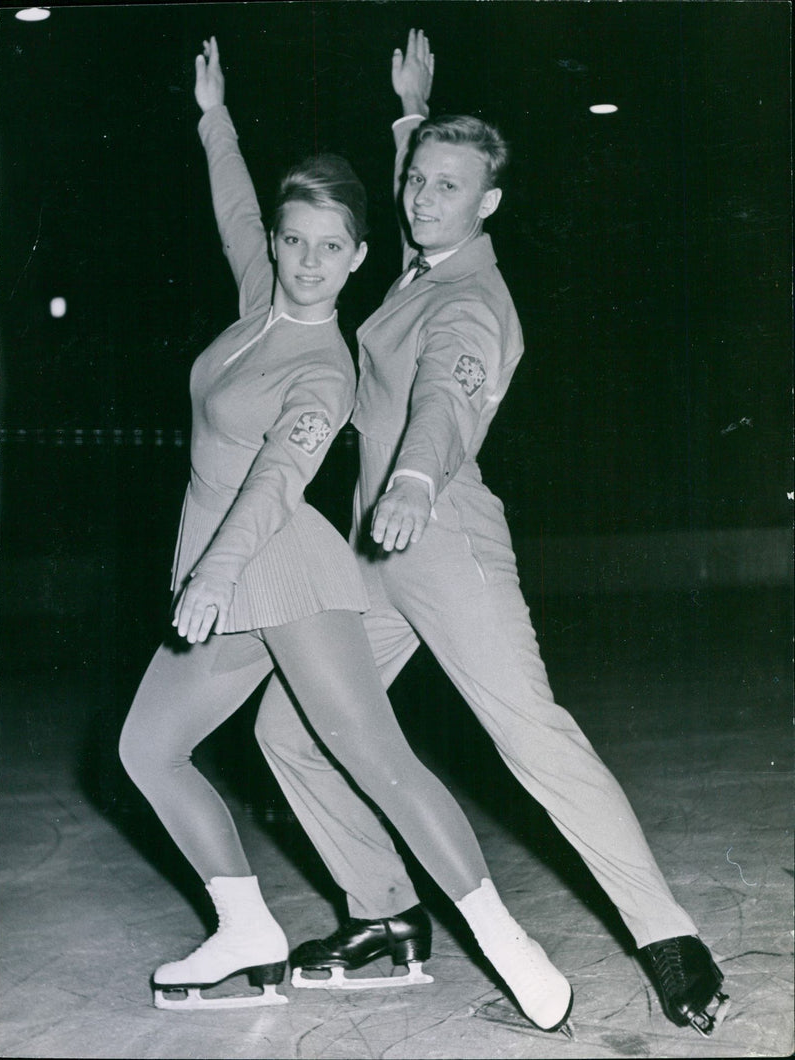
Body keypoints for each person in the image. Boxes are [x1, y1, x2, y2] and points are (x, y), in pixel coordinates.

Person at [255, 29, 729, 1036]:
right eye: (416, 181)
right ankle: (383, 915)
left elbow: (449, 391)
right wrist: (409, 117)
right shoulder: (427, 255)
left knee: (527, 733)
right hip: (369, 551)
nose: (421, 197)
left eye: (445, 186)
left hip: (440, 535)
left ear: (489, 206)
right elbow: (421, 188)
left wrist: (419, 476)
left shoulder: (472, 297)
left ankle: (669, 936)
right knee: (287, 728)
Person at [119, 36, 576, 1031]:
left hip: (282, 572)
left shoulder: (321, 368)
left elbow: (280, 477)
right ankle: (244, 930)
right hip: (226, 579)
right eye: (295, 242)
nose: (307, 261)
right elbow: (236, 212)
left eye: (332, 248)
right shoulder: (257, 308)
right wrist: (214, 117)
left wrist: (213, 570)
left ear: (362, 258)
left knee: (377, 758)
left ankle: (507, 943)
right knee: (147, 746)